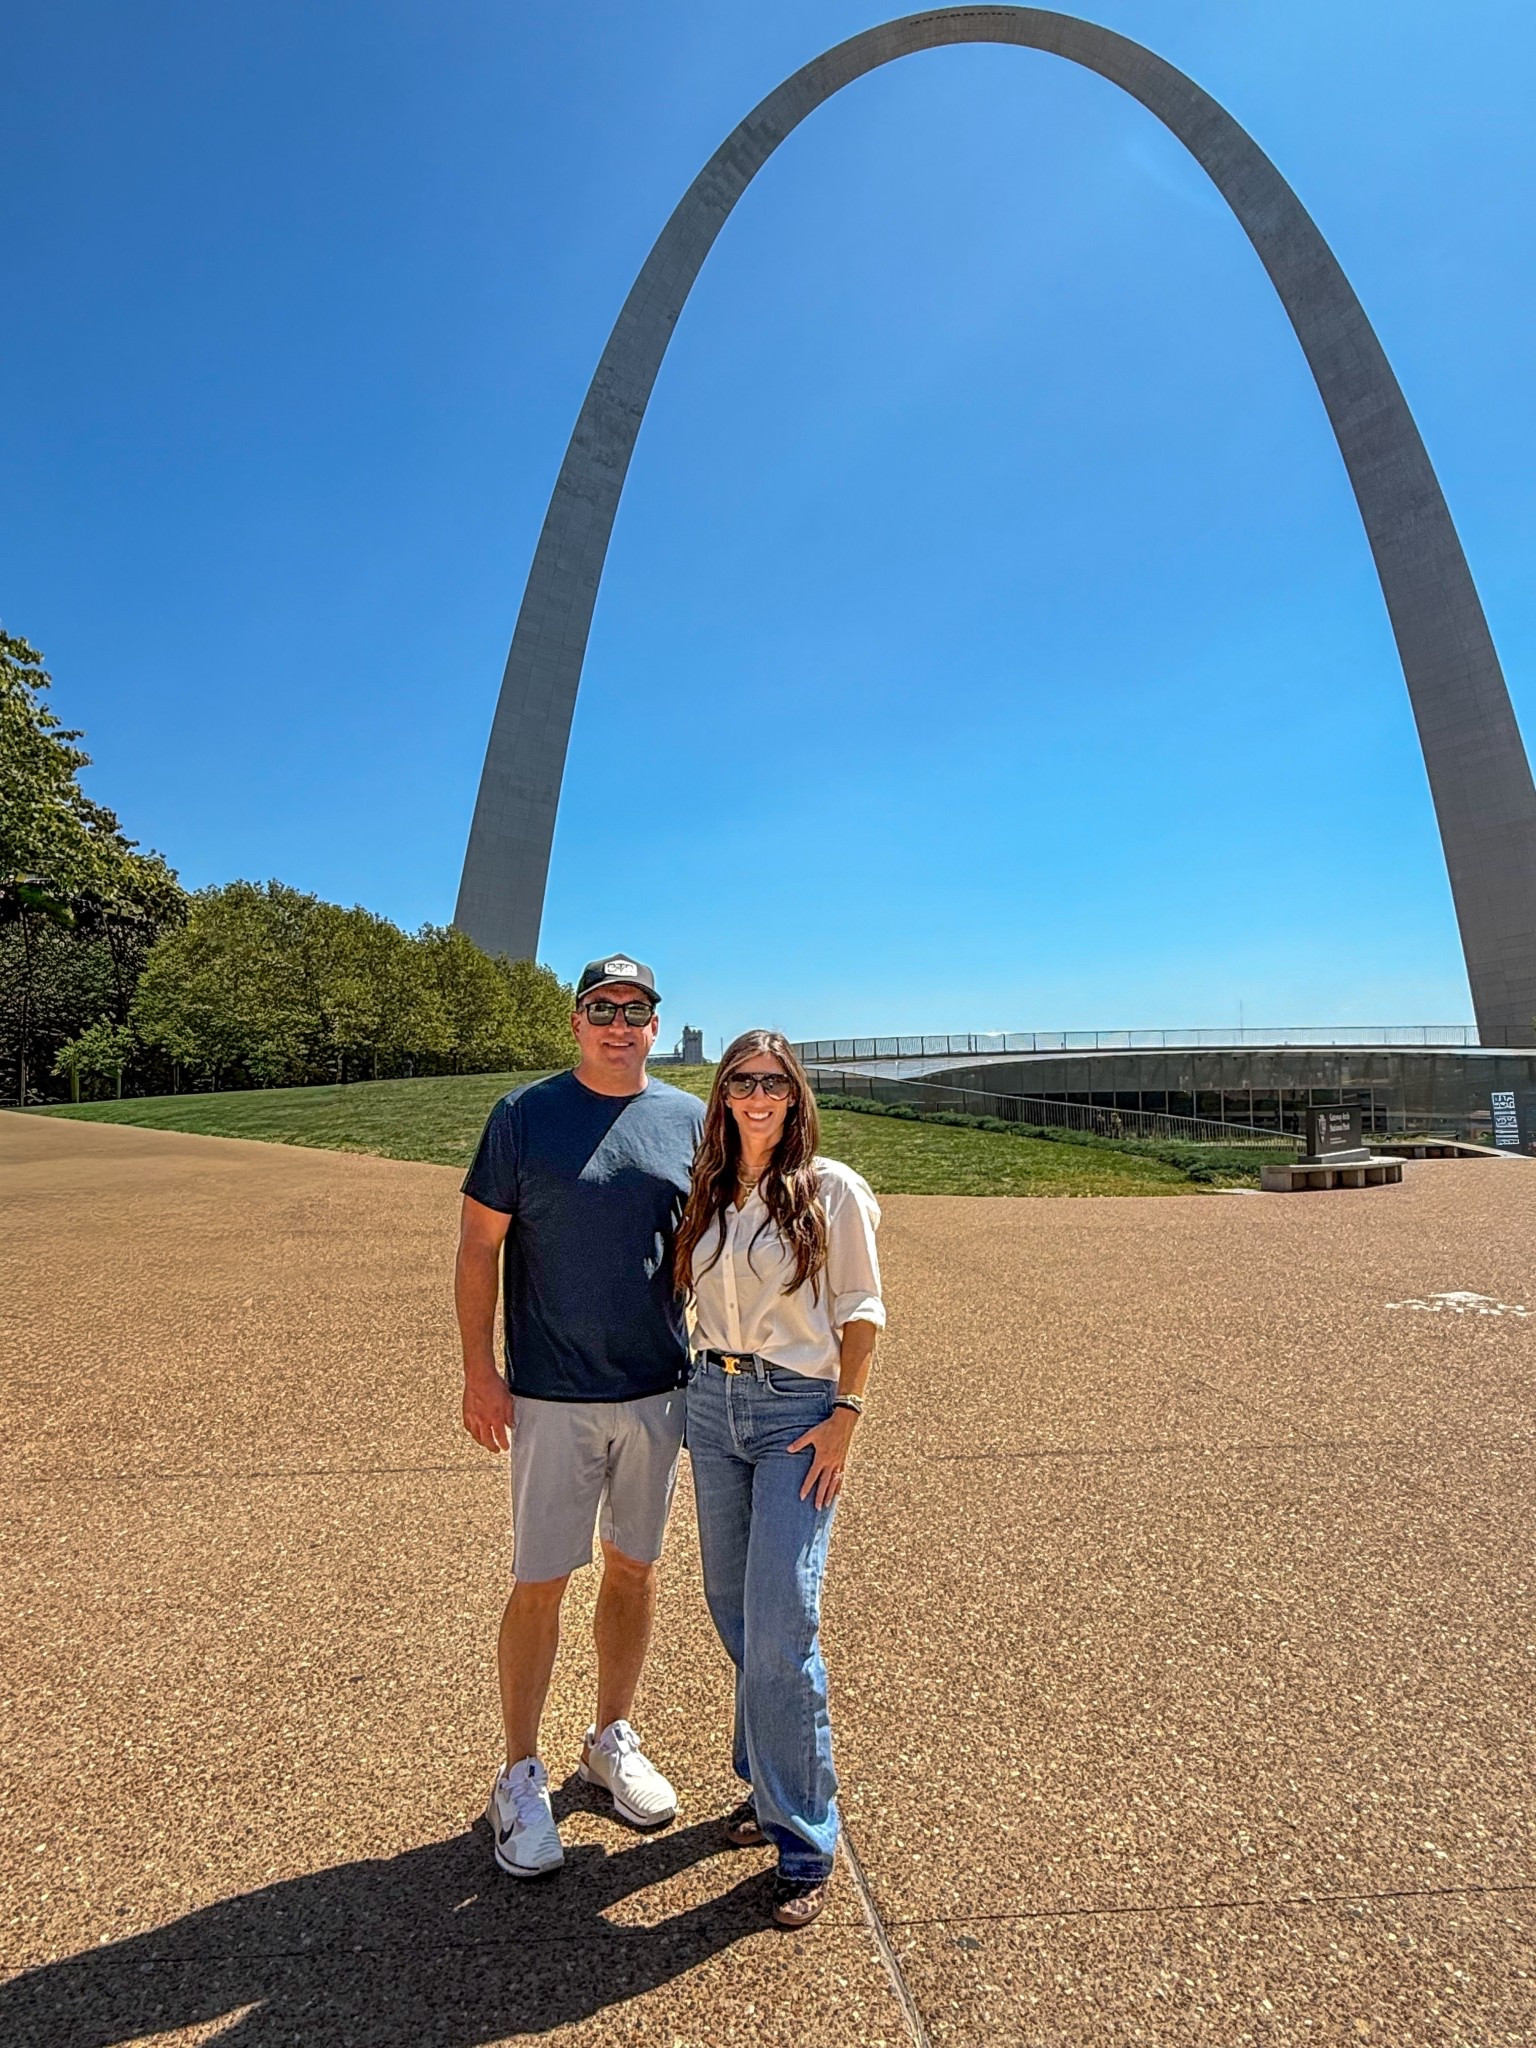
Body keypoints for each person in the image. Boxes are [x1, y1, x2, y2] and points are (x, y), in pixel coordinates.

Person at [457, 953, 704, 1878]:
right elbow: (479, 1247)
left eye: (636, 1009)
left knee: (635, 1573)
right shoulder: (524, 1116)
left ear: (654, 1023)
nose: (619, 1022)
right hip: (553, 1394)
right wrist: (481, 1372)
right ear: (576, 1019)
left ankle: (608, 1740)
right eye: (603, 1006)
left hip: (656, 1390)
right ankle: (519, 1773)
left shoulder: (689, 1120)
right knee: (540, 1580)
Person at [675, 1030, 884, 1929]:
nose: (757, 1095)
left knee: (781, 1625)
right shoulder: (710, 1188)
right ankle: (765, 1781)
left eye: (773, 1082)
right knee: (734, 1608)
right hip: (710, 1405)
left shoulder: (831, 1189)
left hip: (796, 1413)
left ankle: (803, 1835)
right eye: (741, 1081)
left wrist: (846, 1416)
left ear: (795, 1097)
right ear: (723, 1095)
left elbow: (863, 1311)